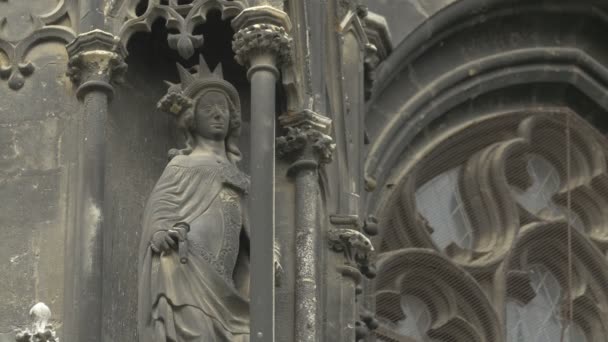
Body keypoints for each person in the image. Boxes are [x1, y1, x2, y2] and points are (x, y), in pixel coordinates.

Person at [138, 57, 250, 342]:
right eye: (208, 108)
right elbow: (160, 209)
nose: (217, 114)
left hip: (225, 286)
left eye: (223, 108)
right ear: (192, 118)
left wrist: (271, 255)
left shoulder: (241, 177)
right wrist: (161, 233)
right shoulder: (181, 165)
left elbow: (258, 229)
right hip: (186, 268)